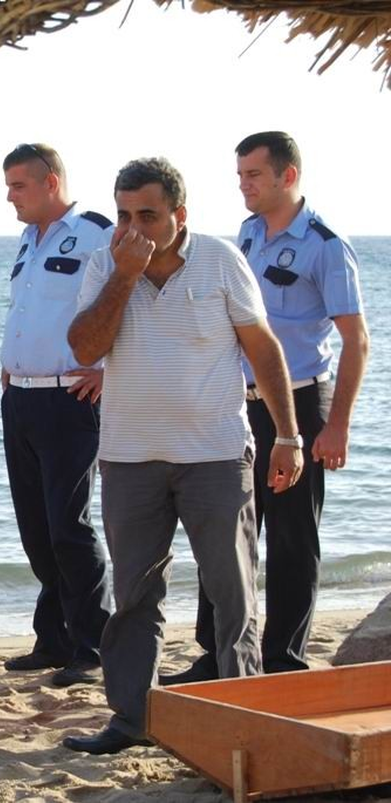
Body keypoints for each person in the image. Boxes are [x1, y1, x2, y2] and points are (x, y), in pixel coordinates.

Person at [63, 157, 302, 755]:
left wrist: (288, 435)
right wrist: (124, 274)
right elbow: (86, 345)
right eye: (123, 214)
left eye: (148, 214)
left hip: (216, 455)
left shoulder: (222, 259)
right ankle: (131, 721)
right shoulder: (104, 263)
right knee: (135, 597)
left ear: (180, 215)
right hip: (129, 457)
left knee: (232, 592)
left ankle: (240, 715)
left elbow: (263, 349)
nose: (132, 227)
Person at [163, 132, 369, 684]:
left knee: (292, 537)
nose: (243, 185)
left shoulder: (325, 244)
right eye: (240, 176)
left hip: (300, 402)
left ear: (288, 176)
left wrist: (339, 425)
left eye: (253, 175)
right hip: (238, 401)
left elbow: (358, 340)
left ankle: (283, 660)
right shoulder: (249, 234)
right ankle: (217, 653)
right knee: (225, 528)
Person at [0, 143, 113, 687]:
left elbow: (128, 302)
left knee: (69, 525)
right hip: (21, 397)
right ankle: (53, 638)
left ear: (51, 182)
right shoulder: (28, 239)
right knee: (36, 527)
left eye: (19, 185)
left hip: (71, 398)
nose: (9, 195)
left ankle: (92, 646)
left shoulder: (96, 234)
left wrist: (109, 370)